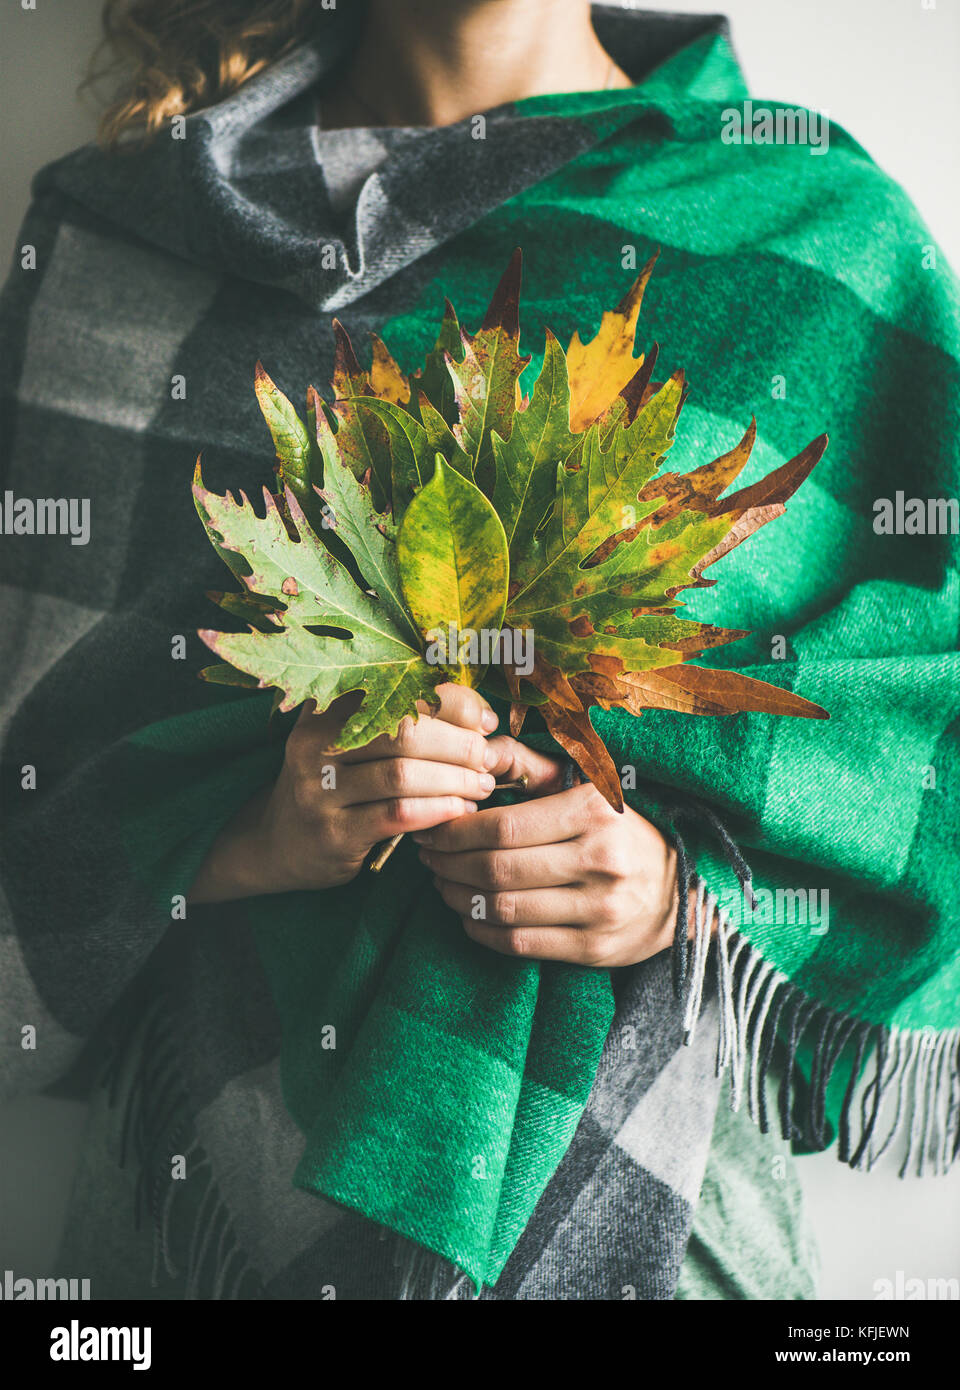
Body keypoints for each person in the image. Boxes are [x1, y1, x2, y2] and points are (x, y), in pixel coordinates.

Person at [0, 0, 956, 1301]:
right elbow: (36, 757)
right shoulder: (126, 236)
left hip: (660, 1208)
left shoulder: (814, 226)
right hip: (211, 1214)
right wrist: (256, 833)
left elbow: (926, 725)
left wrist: (687, 899)